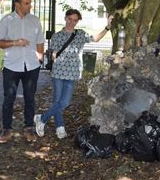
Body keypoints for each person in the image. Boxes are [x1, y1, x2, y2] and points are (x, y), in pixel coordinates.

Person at [34, 9, 113, 139]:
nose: (72, 22)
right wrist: (53, 55)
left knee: (64, 102)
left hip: (72, 74)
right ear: (65, 18)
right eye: (70, 19)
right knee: (57, 101)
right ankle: (60, 127)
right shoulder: (57, 36)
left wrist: (107, 27)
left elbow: (96, 38)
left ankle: (42, 118)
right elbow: (52, 52)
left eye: (75, 20)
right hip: (59, 72)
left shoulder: (80, 34)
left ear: (78, 21)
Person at [0, 0, 45, 143]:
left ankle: (28, 128)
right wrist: (15, 42)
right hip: (11, 65)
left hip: (31, 66)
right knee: (9, 98)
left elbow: (40, 41)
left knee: (30, 98)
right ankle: (6, 129)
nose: (30, 6)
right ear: (17, 4)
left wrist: (40, 58)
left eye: (30, 3)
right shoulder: (6, 20)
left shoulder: (35, 20)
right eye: (26, 3)